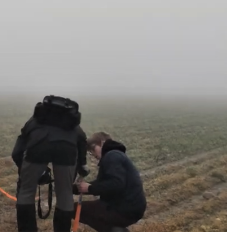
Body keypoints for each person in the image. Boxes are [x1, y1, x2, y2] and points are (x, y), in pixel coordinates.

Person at [11, 95, 88, 232]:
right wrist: (81, 167)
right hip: (67, 150)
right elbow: (82, 143)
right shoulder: (73, 126)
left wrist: (29, 171)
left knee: (26, 191)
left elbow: (17, 152)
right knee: (65, 194)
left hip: (38, 147)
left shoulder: (34, 121)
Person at [74, 132, 146, 232]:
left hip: (123, 208)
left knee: (71, 209)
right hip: (131, 207)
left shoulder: (111, 156)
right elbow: (105, 184)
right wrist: (77, 189)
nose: (93, 154)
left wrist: (89, 188)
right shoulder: (116, 155)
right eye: (90, 152)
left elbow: (116, 184)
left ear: (103, 142)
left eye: (93, 149)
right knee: (92, 211)